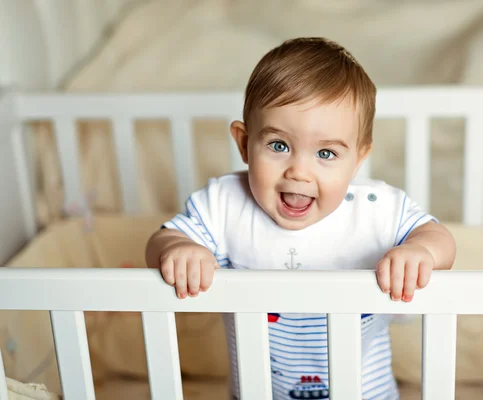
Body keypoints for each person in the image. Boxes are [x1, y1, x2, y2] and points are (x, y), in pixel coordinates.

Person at [145, 37, 456, 400]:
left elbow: (439, 238)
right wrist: (178, 248)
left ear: (358, 159)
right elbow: (159, 242)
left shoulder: (375, 208)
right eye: (279, 146)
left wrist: (422, 252)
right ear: (244, 144)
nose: (299, 172)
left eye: (326, 152)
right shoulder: (224, 204)